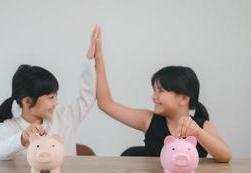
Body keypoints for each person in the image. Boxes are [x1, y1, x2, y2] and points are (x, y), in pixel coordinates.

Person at [94, 27, 231, 162]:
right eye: (154, 90)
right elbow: (105, 104)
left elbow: (226, 156)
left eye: (161, 91)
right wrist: (98, 57)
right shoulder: (147, 120)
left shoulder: (204, 126)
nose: (154, 97)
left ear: (184, 98)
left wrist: (198, 133)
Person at [0, 27, 99, 160]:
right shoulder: (10, 127)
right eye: (51, 97)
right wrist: (22, 139)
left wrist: (89, 61)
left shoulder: (65, 118)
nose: (56, 103)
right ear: (27, 101)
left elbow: (88, 97)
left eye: (56, 96)